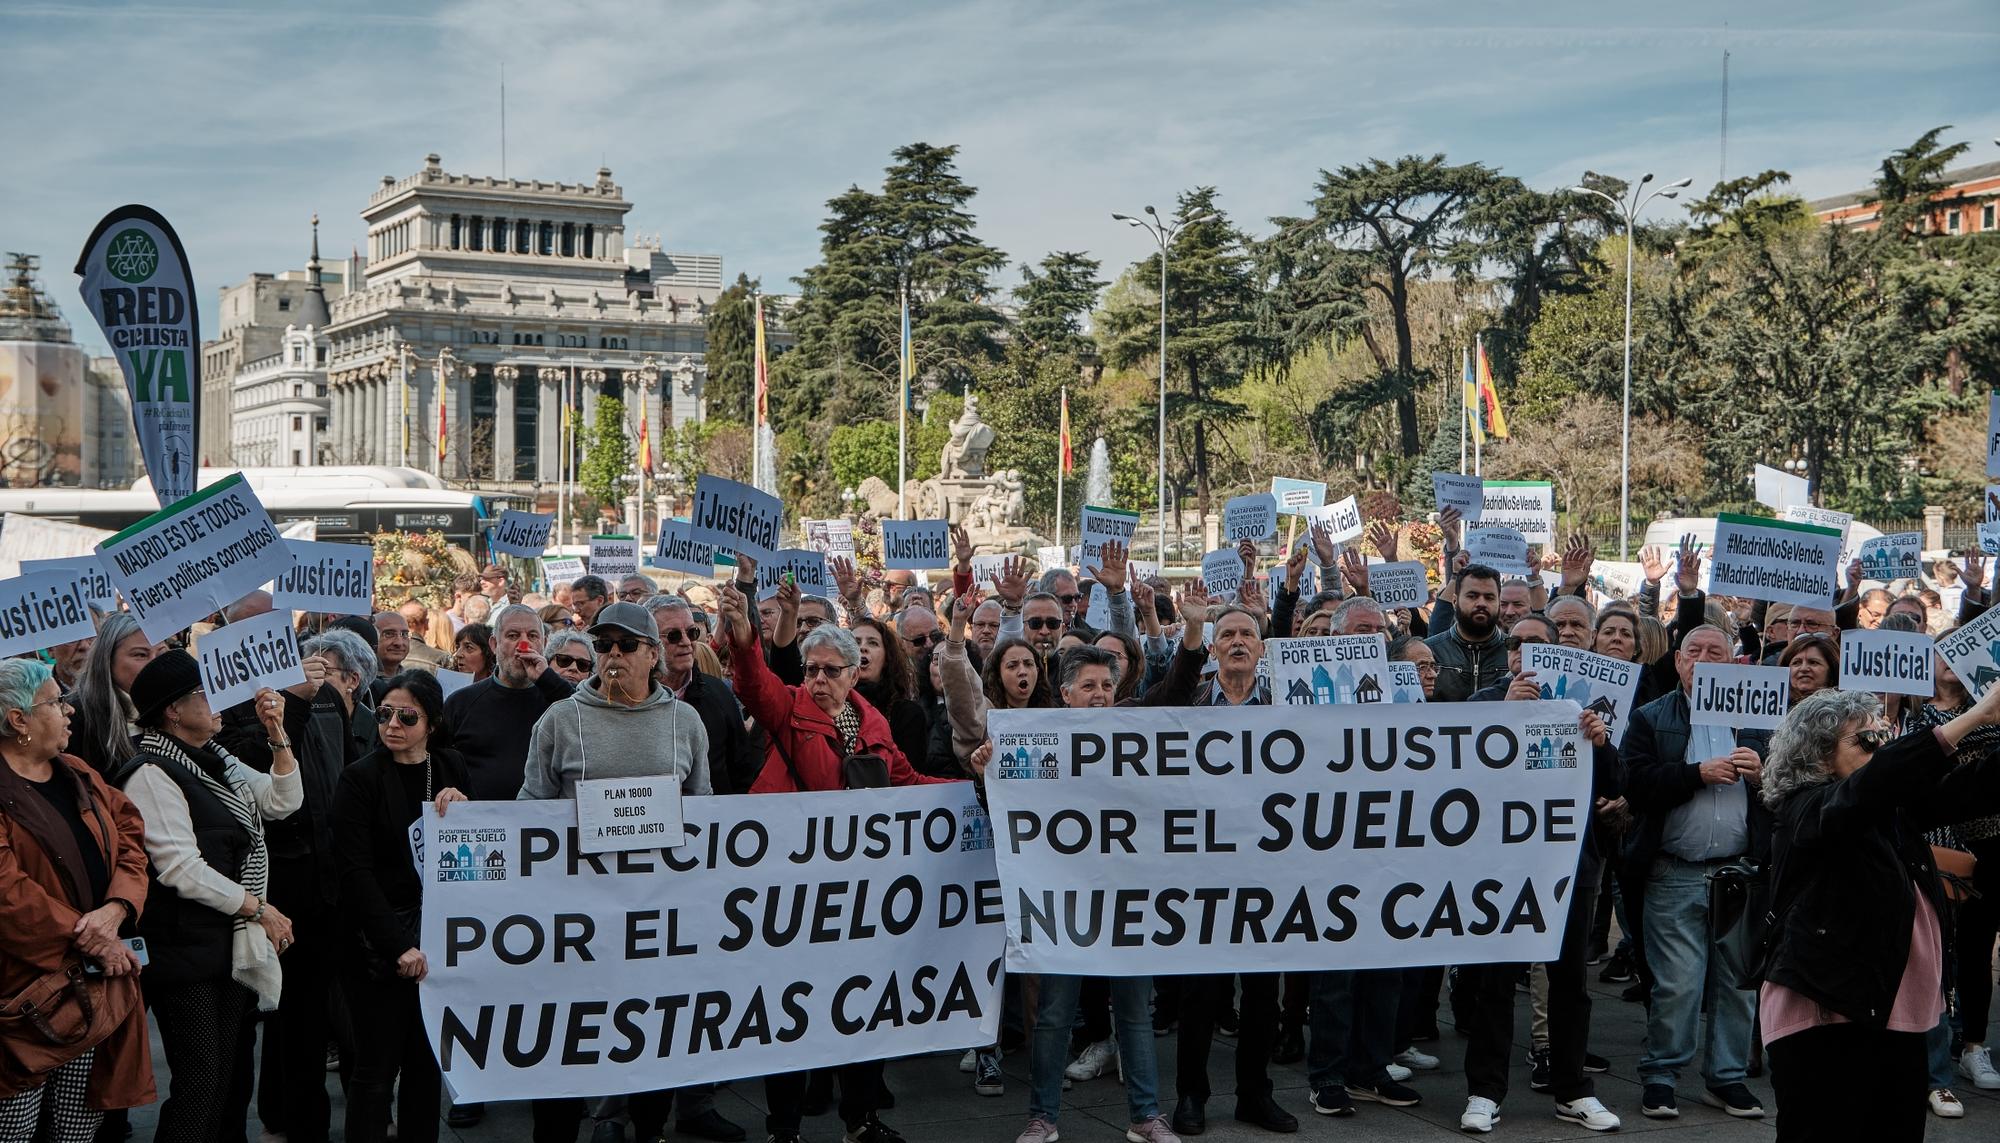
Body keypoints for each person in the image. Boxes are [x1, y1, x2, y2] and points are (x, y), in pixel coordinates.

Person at [718, 581, 951, 1143]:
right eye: (811, 670)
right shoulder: (788, 708)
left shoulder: (873, 726)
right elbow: (753, 684)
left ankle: (862, 1120)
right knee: (786, 1012)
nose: (818, 681)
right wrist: (746, 633)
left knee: (860, 1008)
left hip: (856, 898)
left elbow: (908, 784)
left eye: (829, 671)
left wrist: (973, 789)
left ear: (853, 674)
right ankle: (785, 1129)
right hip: (788, 892)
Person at [1757, 686, 2000, 1141]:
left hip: (1897, 1015)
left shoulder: (1892, 809)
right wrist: (1980, 714)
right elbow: (1876, 783)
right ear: (1819, 755)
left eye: (1882, 737)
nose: (1880, 749)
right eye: (1864, 741)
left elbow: (1974, 788)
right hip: (1826, 1015)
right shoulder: (1807, 809)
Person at [518, 601, 711, 1143]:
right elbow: (530, 807)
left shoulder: (684, 721)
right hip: (579, 914)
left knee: (650, 1030)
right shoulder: (559, 719)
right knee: (568, 1031)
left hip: (657, 915)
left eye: (626, 646)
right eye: (603, 646)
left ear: (654, 655)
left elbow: (703, 814)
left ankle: (644, 1127)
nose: (613, 656)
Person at [111, 652, 301, 1143]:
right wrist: (258, 908)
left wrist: (276, 732)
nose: (220, 700)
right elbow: (180, 868)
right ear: (173, 711)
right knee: (198, 1085)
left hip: (224, 945)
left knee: (222, 1084)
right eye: (206, 692)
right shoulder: (151, 771)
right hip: (183, 951)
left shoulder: (216, 758)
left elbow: (283, 800)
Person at [1015, 647, 1183, 1143]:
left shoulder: (1136, 739)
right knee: (1055, 1016)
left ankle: (1145, 1116)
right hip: (1064, 899)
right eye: (1088, 686)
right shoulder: (1039, 742)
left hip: (1127, 899)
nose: (1099, 695)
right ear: (1065, 694)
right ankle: (1042, 1117)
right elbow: (1017, 801)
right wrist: (991, 766)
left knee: (1134, 1012)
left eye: (1107, 686)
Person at [1454, 651, 1624, 1134]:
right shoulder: (1484, 703)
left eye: (1537, 645)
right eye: (1518, 646)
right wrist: (1504, 718)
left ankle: (1572, 1091)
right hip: (1503, 870)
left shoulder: (1581, 710)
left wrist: (1602, 743)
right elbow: (1465, 777)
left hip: (1569, 870)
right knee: (1495, 984)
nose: (1524, 658)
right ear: (1509, 658)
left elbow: (1616, 785)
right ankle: (1484, 1091)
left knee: (1569, 984)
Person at [0, 660, 154, 1139]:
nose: (69, 711)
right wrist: (91, 939)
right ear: (17, 719)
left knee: (76, 1128)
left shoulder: (77, 772)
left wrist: (118, 909)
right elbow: (9, 895)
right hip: (25, 996)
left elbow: (130, 835)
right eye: (54, 702)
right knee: (14, 1130)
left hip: (91, 989)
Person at [1622, 625, 1770, 1120]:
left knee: (1736, 983)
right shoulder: (1649, 717)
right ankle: (1662, 1074)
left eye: (1716, 651)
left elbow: (1792, 785)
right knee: (1678, 984)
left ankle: (1726, 1078)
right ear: (1679, 662)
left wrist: (1765, 772)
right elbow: (1635, 785)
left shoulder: (1759, 719)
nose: (1704, 658)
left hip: (1740, 873)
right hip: (1674, 872)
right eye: (1694, 651)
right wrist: (1695, 774)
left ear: (1733, 662)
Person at [332, 670, 467, 1143]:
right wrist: (397, 945)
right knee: (375, 1069)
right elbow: (354, 872)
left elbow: (480, 852)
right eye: (386, 713)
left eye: (407, 716)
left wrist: (467, 810)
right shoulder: (360, 778)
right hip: (377, 944)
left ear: (431, 722)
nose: (392, 724)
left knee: (427, 1066)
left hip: (439, 937)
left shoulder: (450, 767)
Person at [1910, 657, 2000, 1096]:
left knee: (1978, 947)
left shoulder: (1992, 707)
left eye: (1958, 653)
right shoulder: (1912, 714)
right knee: (1936, 950)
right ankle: (1931, 1057)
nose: (1951, 663)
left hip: (1993, 842)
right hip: (1939, 842)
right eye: (1941, 653)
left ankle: (1972, 1045)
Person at [446, 604, 576, 801]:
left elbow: (583, 720)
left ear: (544, 643)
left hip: (544, 822)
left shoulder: (557, 698)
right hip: (480, 823)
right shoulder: (461, 703)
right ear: (494, 644)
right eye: (513, 636)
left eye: (532, 636)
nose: (523, 645)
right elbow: (436, 763)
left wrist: (547, 679)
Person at [65, 614, 160, 778]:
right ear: (107, 658)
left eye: (160, 653)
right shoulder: (75, 714)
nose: (155, 663)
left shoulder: (174, 705)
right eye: (141, 655)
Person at [850, 616, 933, 774]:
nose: (862, 648)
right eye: (855, 642)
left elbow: (908, 776)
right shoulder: (830, 704)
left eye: (873, 643)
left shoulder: (907, 713)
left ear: (887, 658)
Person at [1425, 564, 1507, 703]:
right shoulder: (1429, 651)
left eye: (1489, 597)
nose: (1481, 603)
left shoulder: (1516, 652)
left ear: (1499, 602)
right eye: (1472, 596)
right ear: (1455, 601)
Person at [1778, 633, 1838, 705]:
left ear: (1831, 669)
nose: (1803, 669)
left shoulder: (1845, 710)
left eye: (1813, 662)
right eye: (1796, 663)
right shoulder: (1775, 708)